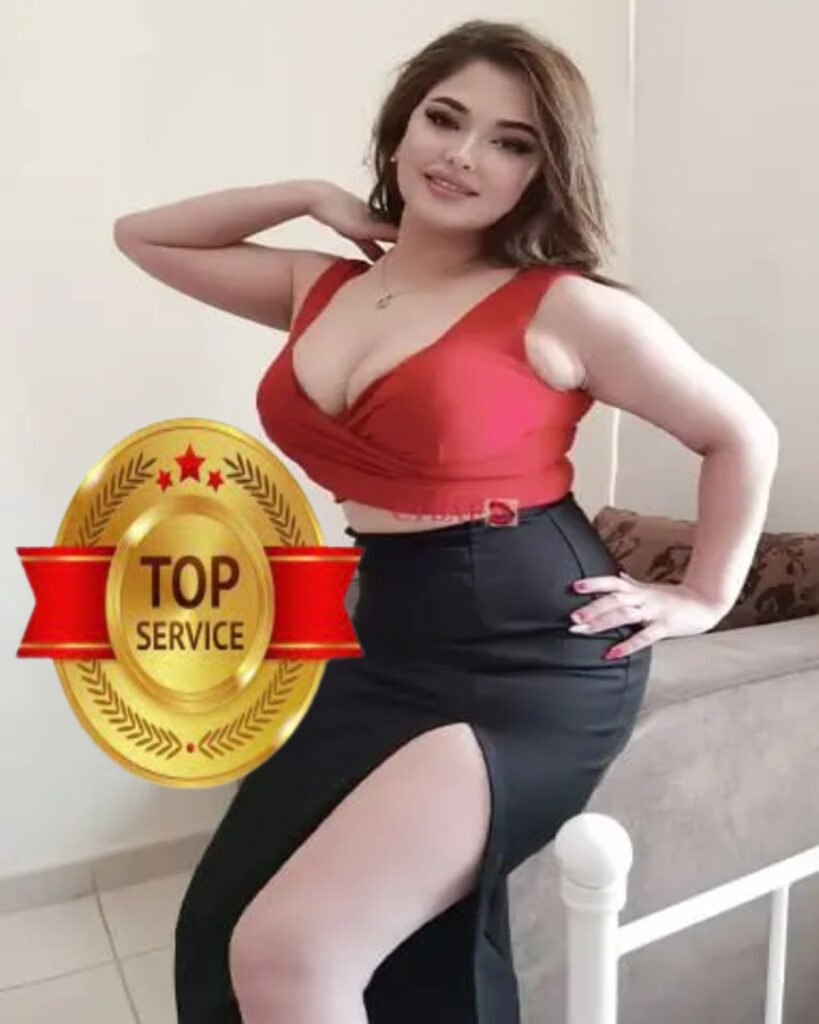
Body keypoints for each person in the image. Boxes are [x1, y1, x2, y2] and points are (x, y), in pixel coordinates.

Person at [113, 18, 779, 1024]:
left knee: (290, 952)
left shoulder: (562, 306)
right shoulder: (320, 286)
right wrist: (310, 195)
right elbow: (144, 235)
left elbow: (739, 433)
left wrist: (703, 594)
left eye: (511, 142)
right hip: (388, 633)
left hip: (530, 651)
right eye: (443, 118)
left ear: (541, 174)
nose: (463, 154)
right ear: (400, 130)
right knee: (224, 921)